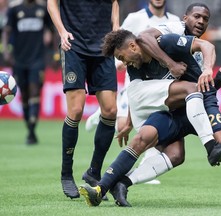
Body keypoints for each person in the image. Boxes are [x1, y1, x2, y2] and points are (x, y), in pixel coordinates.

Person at [109, 3, 221, 208]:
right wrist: (171, 64)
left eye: (205, 19)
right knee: (168, 151)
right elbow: (144, 42)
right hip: (175, 104)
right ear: (185, 18)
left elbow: (203, 83)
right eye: (196, 17)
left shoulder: (197, 45)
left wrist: (217, 79)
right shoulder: (172, 30)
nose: (200, 22)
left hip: (198, 101)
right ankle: (114, 182)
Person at [78, 29, 221, 207]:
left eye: (122, 57)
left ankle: (113, 185)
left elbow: (151, 38)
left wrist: (216, 78)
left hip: (159, 103)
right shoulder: (146, 49)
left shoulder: (168, 39)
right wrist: (171, 64)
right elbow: (146, 36)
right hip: (144, 97)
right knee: (190, 89)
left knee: (176, 155)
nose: (124, 63)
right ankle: (210, 146)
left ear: (131, 47)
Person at [84, 0, 180, 185]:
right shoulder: (136, 18)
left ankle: (145, 164)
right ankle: (102, 114)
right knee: (125, 125)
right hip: (136, 82)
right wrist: (119, 62)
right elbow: (116, 42)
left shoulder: (174, 20)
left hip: (161, 82)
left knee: (150, 127)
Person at [47, 0, 120, 199]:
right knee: (76, 110)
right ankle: (66, 174)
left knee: (111, 110)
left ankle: (93, 173)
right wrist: (61, 31)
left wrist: (115, 27)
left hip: (104, 46)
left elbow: (114, 2)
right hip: (73, 45)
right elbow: (52, 3)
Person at [2, 0, 54, 145]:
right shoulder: (14, 10)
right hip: (19, 59)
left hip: (37, 59)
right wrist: (6, 51)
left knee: (35, 91)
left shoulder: (42, 10)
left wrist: (54, 53)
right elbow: (7, 31)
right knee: (24, 95)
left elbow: (52, 30)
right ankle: (29, 128)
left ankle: (32, 131)